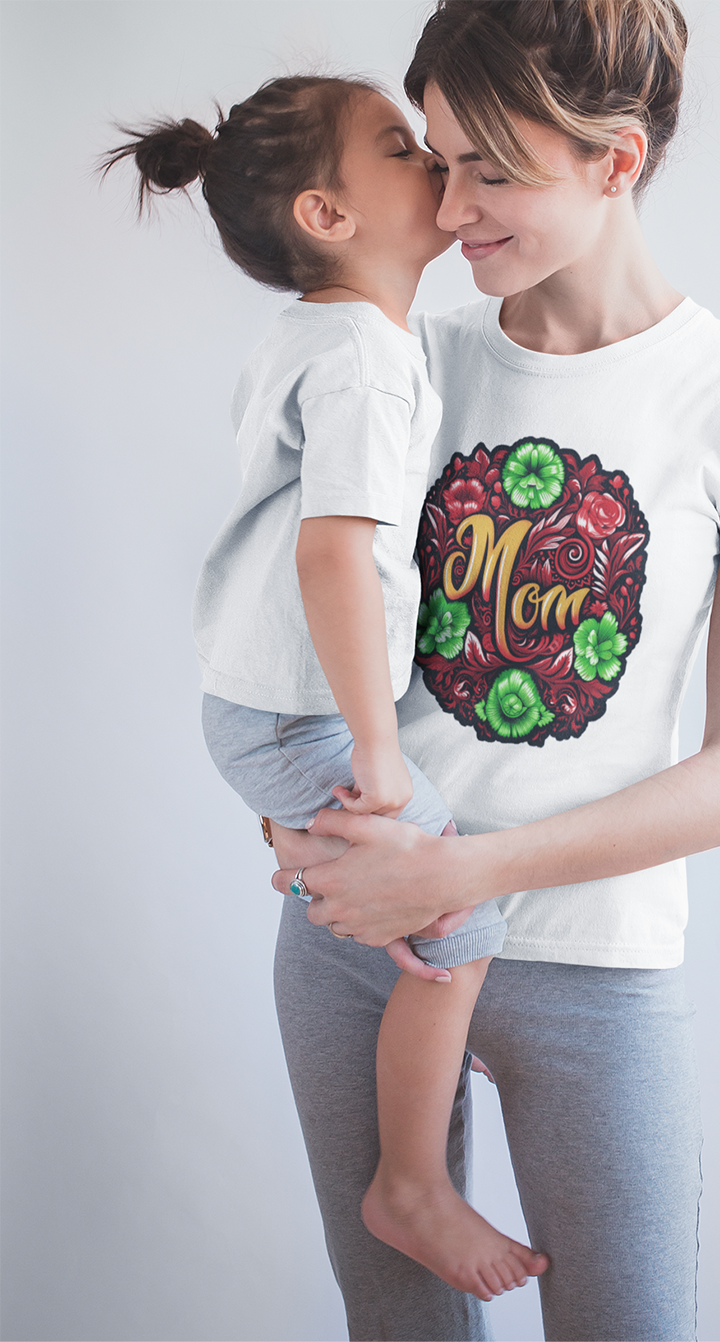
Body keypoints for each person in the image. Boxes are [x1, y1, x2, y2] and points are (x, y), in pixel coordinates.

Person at [268, 2, 720, 1339]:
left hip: (594, 966)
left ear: (617, 158)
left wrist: (460, 872)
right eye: (434, 160)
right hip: (359, 950)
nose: (449, 207)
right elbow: (279, 637)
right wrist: (293, 824)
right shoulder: (402, 371)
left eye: (493, 168)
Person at [99, 73, 550, 1303]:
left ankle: (418, 1140)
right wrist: (377, 746)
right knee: (457, 924)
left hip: (252, 706)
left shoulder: (319, 338)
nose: (435, 170)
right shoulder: (362, 355)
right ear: (327, 215)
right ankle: (409, 1180)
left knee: (412, 906)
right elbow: (332, 551)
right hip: (297, 714)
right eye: (402, 150)